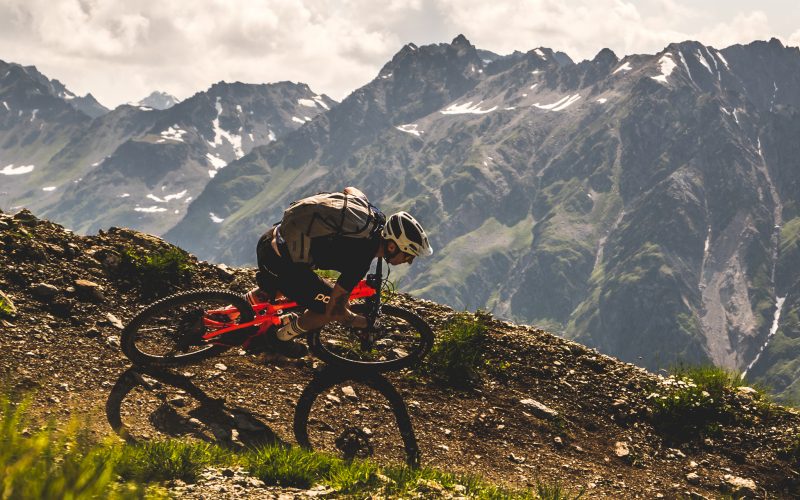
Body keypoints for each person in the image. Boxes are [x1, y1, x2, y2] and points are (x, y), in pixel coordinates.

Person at [243, 187, 433, 358]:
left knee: (298, 285)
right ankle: (278, 338)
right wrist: (361, 322)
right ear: (392, 247)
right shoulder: (360, 259)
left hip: (271, 238)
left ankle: (236, 310)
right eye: (408, 256)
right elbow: (335, 310)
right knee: (325, 307)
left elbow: (351, 190)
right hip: (279, 263)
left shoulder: (372, 217)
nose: (407, 262)